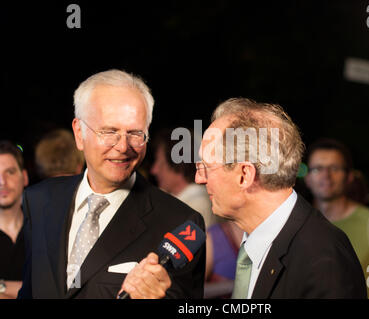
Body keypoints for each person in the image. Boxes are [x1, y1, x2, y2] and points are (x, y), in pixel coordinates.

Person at [18, 70, 205, 299]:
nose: (123, 147)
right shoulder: (38, 200)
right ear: (79, 133)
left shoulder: (179, 224)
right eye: (109, 131)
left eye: (135, 133)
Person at [196, 98, 367, 298]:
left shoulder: (324, 260)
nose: (199, 178)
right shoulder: (264, 240)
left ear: (245, 175)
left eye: (206, 167)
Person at [304, 138, 369, 299]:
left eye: (334, 168)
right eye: (318, 169)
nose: (326, 175)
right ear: (307, 179)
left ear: (349, 177)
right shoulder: (296, 224)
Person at [150, 128, 220, 229]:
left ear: (178, 165)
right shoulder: (181, 201)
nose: (154, 170)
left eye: (160, 163)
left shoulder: (196, 204)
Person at [0, 141, 28, 299]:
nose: (2, 181)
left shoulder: (45, 228)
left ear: (24, 177)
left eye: (9, 172)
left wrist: (2, 288)